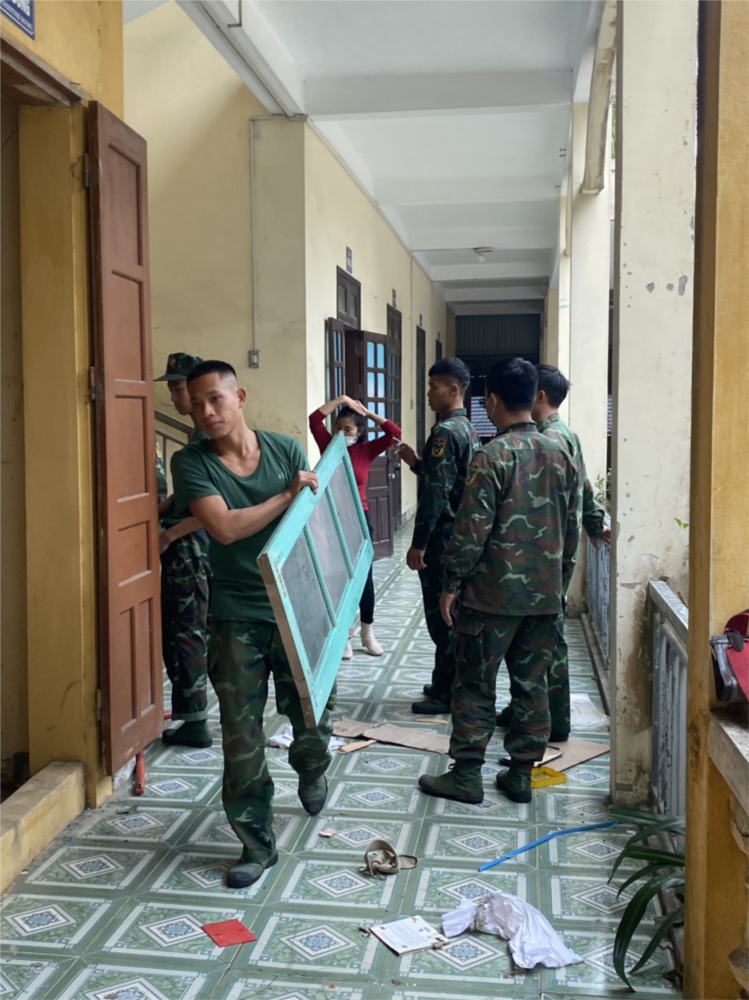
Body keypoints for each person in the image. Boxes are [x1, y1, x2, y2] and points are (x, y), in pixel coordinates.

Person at [171, 360, 332, 889]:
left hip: (295, 605)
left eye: (215, 398)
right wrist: (285, 496)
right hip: (235, 613)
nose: (205, 411)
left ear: (239, 397)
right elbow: (223, 527)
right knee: (241, 735)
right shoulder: (190, 462)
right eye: (196, 403)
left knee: (312, 718)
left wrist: (329, 598)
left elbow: (313, 526)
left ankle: (312, 766)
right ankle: (256, 843)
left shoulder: (285, 450)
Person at [417, 358, 580, 806]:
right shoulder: (562, 453)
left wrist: (451, 584)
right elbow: (571, 530)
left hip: (490, 598)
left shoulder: (493, 456)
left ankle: (467, 775)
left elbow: (471, 530)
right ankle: (521, 775)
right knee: (532, 685)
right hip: (544, 597)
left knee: (475, 683)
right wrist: (559, 585)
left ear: (490, 400)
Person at [495, 363, 610, 743]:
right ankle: (529, 709)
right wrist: (595, 522)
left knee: (544, 642)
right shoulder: (566, 436)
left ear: (539, 396)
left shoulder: (547, 439)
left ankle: (553, 719)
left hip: (543, 556)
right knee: (542, 639)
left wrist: (592, 523)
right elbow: (586, 486)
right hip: (555, 552)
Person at [396, 357, 479, 714]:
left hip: (443, 539)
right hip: (459, 535)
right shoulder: (466, 428)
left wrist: (419, 544)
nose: (428, 393)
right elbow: (448, 479)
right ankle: (444, 680)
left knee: (442, 618)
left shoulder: (445, 433)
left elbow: (436, 494)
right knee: (449, 614)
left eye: (433, 386)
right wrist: (417, 463)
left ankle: (448, 693)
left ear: (454, 389)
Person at [309, 395, 402, 658]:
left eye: (348, 429)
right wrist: (341, 400)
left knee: (364, 577)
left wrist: (367, 413)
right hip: (333, 517)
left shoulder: (366, 450)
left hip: (360, 518)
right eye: (338, 427)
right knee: (339, 577)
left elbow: (394, 433)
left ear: (359, 432)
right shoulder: (328, 446)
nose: (341, 433)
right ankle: (344, 634)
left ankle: (367, 632)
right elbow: (314, 420)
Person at [154, 352, 212, 749]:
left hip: (191, 550)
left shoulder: (205, 438)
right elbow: (193, 492)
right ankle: (193, 718)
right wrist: (163, 508)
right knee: (184, 633)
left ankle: (195, 723)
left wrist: (170, 534)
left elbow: (216, 504)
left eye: (179, 389)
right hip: (189, 546)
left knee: (185, 634)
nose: (174, 397)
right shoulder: (196, 435)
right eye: (173, 389)